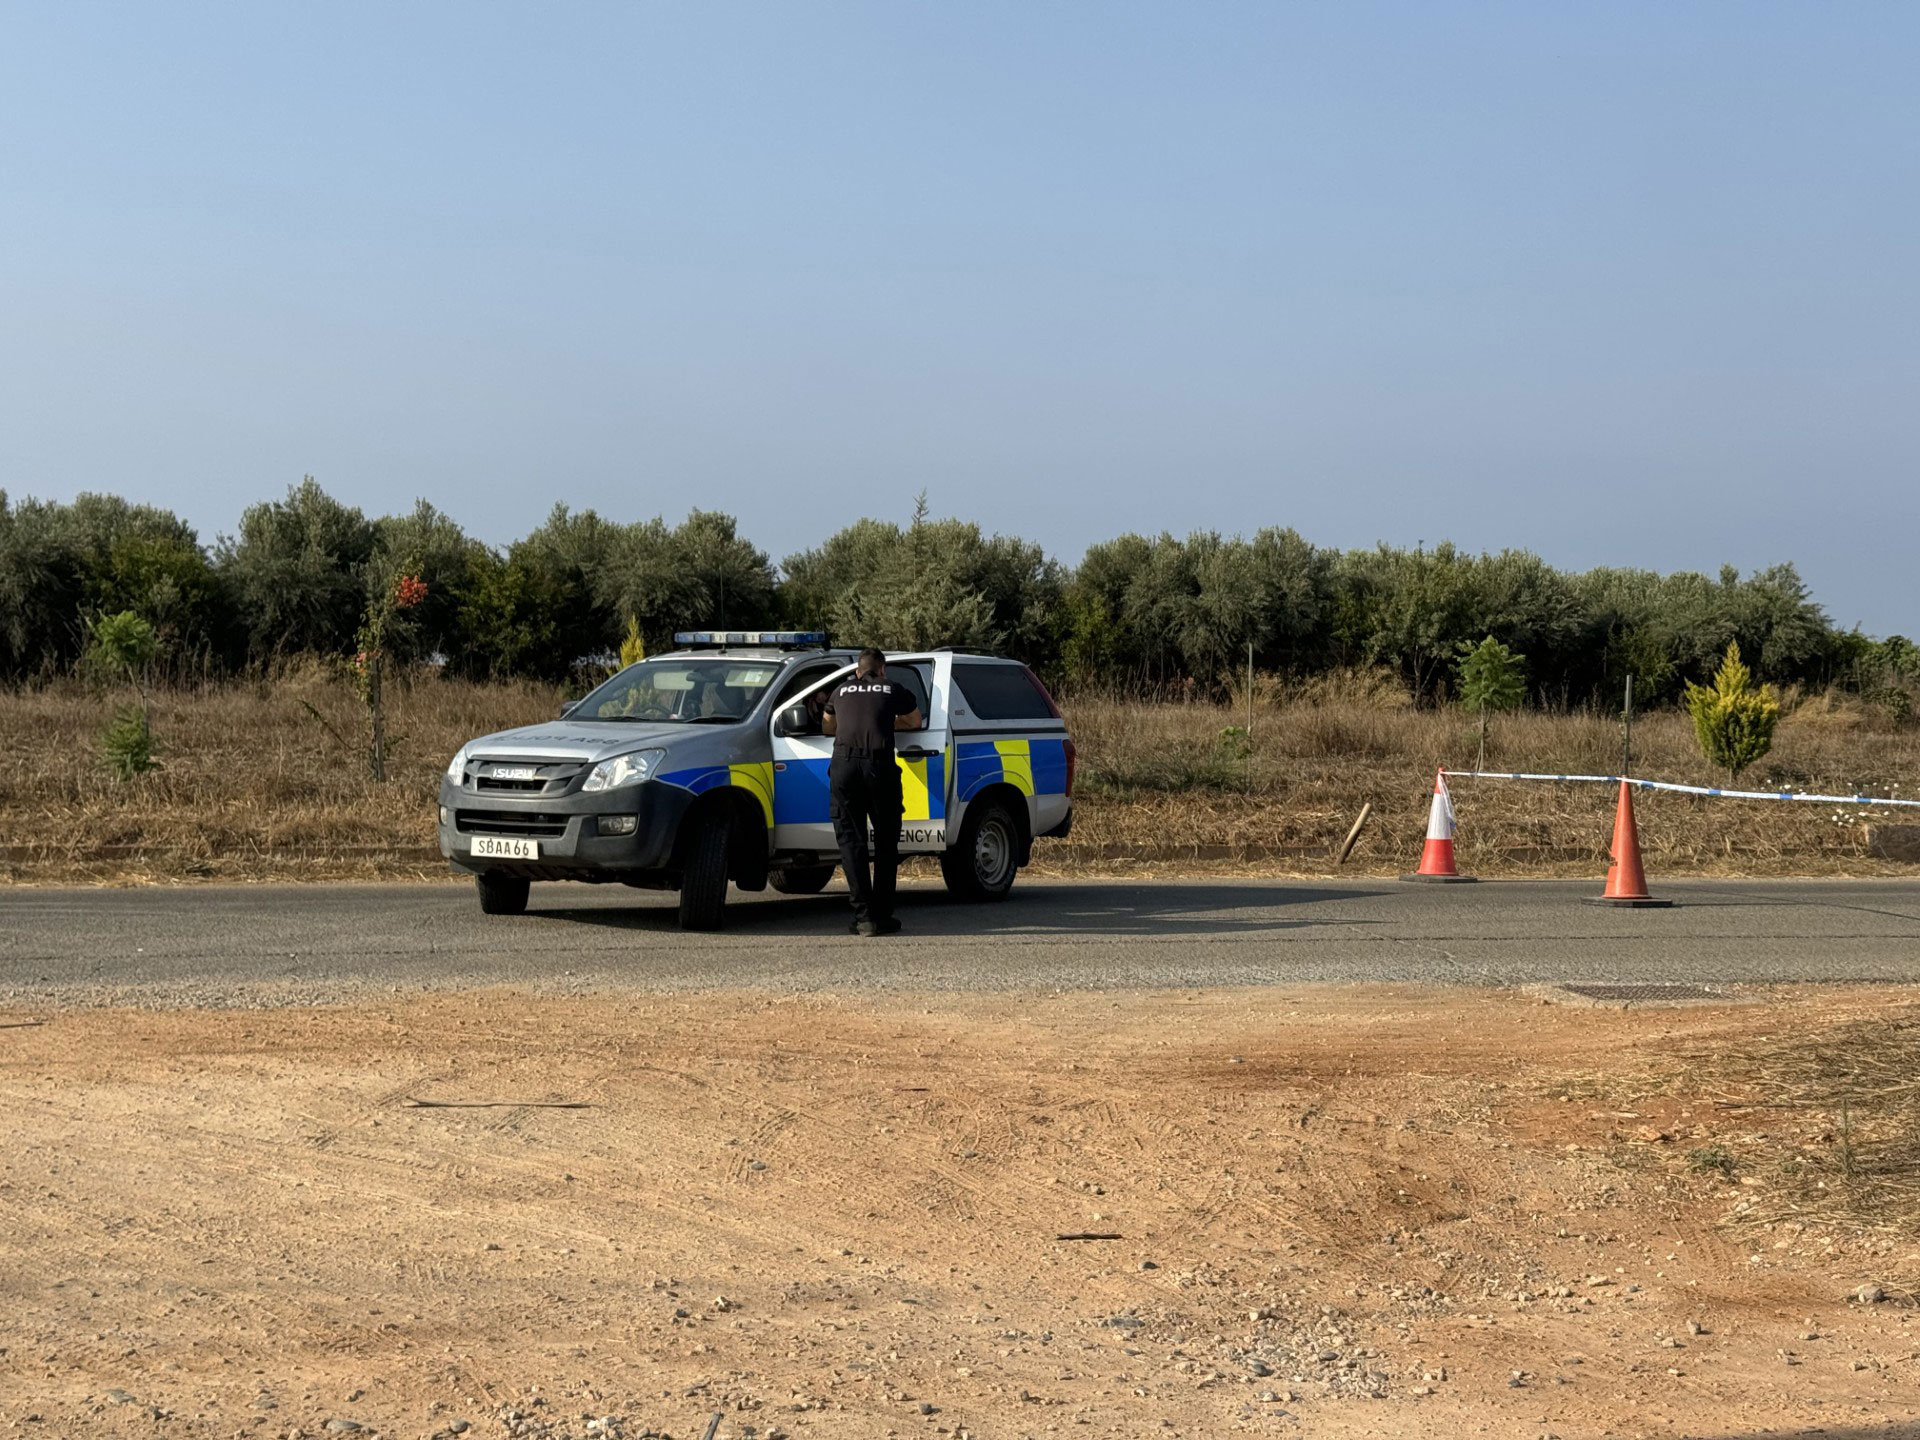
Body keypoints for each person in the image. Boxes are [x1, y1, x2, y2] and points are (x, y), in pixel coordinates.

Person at [822, 648, 923, 936]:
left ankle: (864, 917)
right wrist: (887, 721)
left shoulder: (840, 691)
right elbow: (915, 721)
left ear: (857, 671)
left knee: (851, 842)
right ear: (882, 670)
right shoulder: (891, 688)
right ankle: (883, 914)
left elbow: (828, 726)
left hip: (843, 766)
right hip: (878, 766)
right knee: (886, 841)